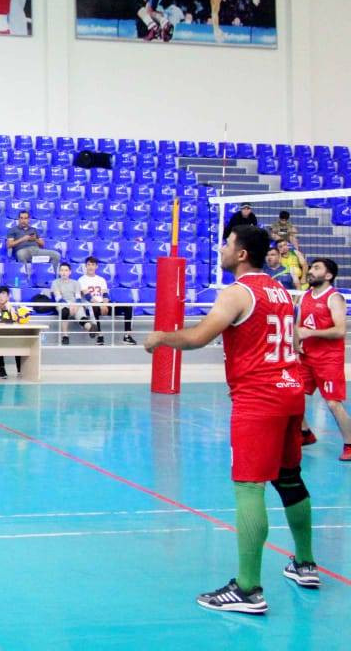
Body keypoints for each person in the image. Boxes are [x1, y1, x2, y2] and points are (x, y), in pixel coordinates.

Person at [145, 225, 320, 614]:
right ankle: (306, 564)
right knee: (290, 478)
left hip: (259, 398)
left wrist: (161, 337)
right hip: (290, 390)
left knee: (249, 487)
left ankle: (248, 588)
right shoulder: (279, 290)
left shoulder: (238, 292)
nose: (222, 249)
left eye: (227, 244)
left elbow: (198, 337)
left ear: (241, 254)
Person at [295, 258, 350, 461]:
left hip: (328, 359)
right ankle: (305, 433)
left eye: (316, 268)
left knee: (333, 403)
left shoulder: (334, 298)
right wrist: (296, 344)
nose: (311, 271)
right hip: (306, 357)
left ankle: (350, 444)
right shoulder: (305, 297)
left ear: (328, 275)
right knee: (292, 395)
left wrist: (311, 333)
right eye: (311, 267)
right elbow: (298, 326)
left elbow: (340, 330)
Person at [78, 256, 135, 345]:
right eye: (88, 264)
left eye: (93, 264)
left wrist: (104, 304)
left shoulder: (101, 279)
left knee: (128, 307)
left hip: (103, 304)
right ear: (85, 266)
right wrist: (100, 305)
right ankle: (99, 336)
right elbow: (88, 297)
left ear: (96, 266)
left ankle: (127, 336)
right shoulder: (81, 280)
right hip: (92, 305)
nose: (90, 267)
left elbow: (105, 294)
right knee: (94, 307)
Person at [50, 263, 89, 346]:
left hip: (75, 304)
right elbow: (58, 298)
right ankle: (65, 336)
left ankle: (91, 329)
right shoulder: (55, 283)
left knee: (82, 318)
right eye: (62, 270)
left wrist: (76, 306)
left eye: (66, 270)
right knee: (65, 311)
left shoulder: (76, 283)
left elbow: (78, 297)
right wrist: (70, 306)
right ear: (59, 272)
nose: (64, 272)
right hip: (62, 304)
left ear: (70, 272)